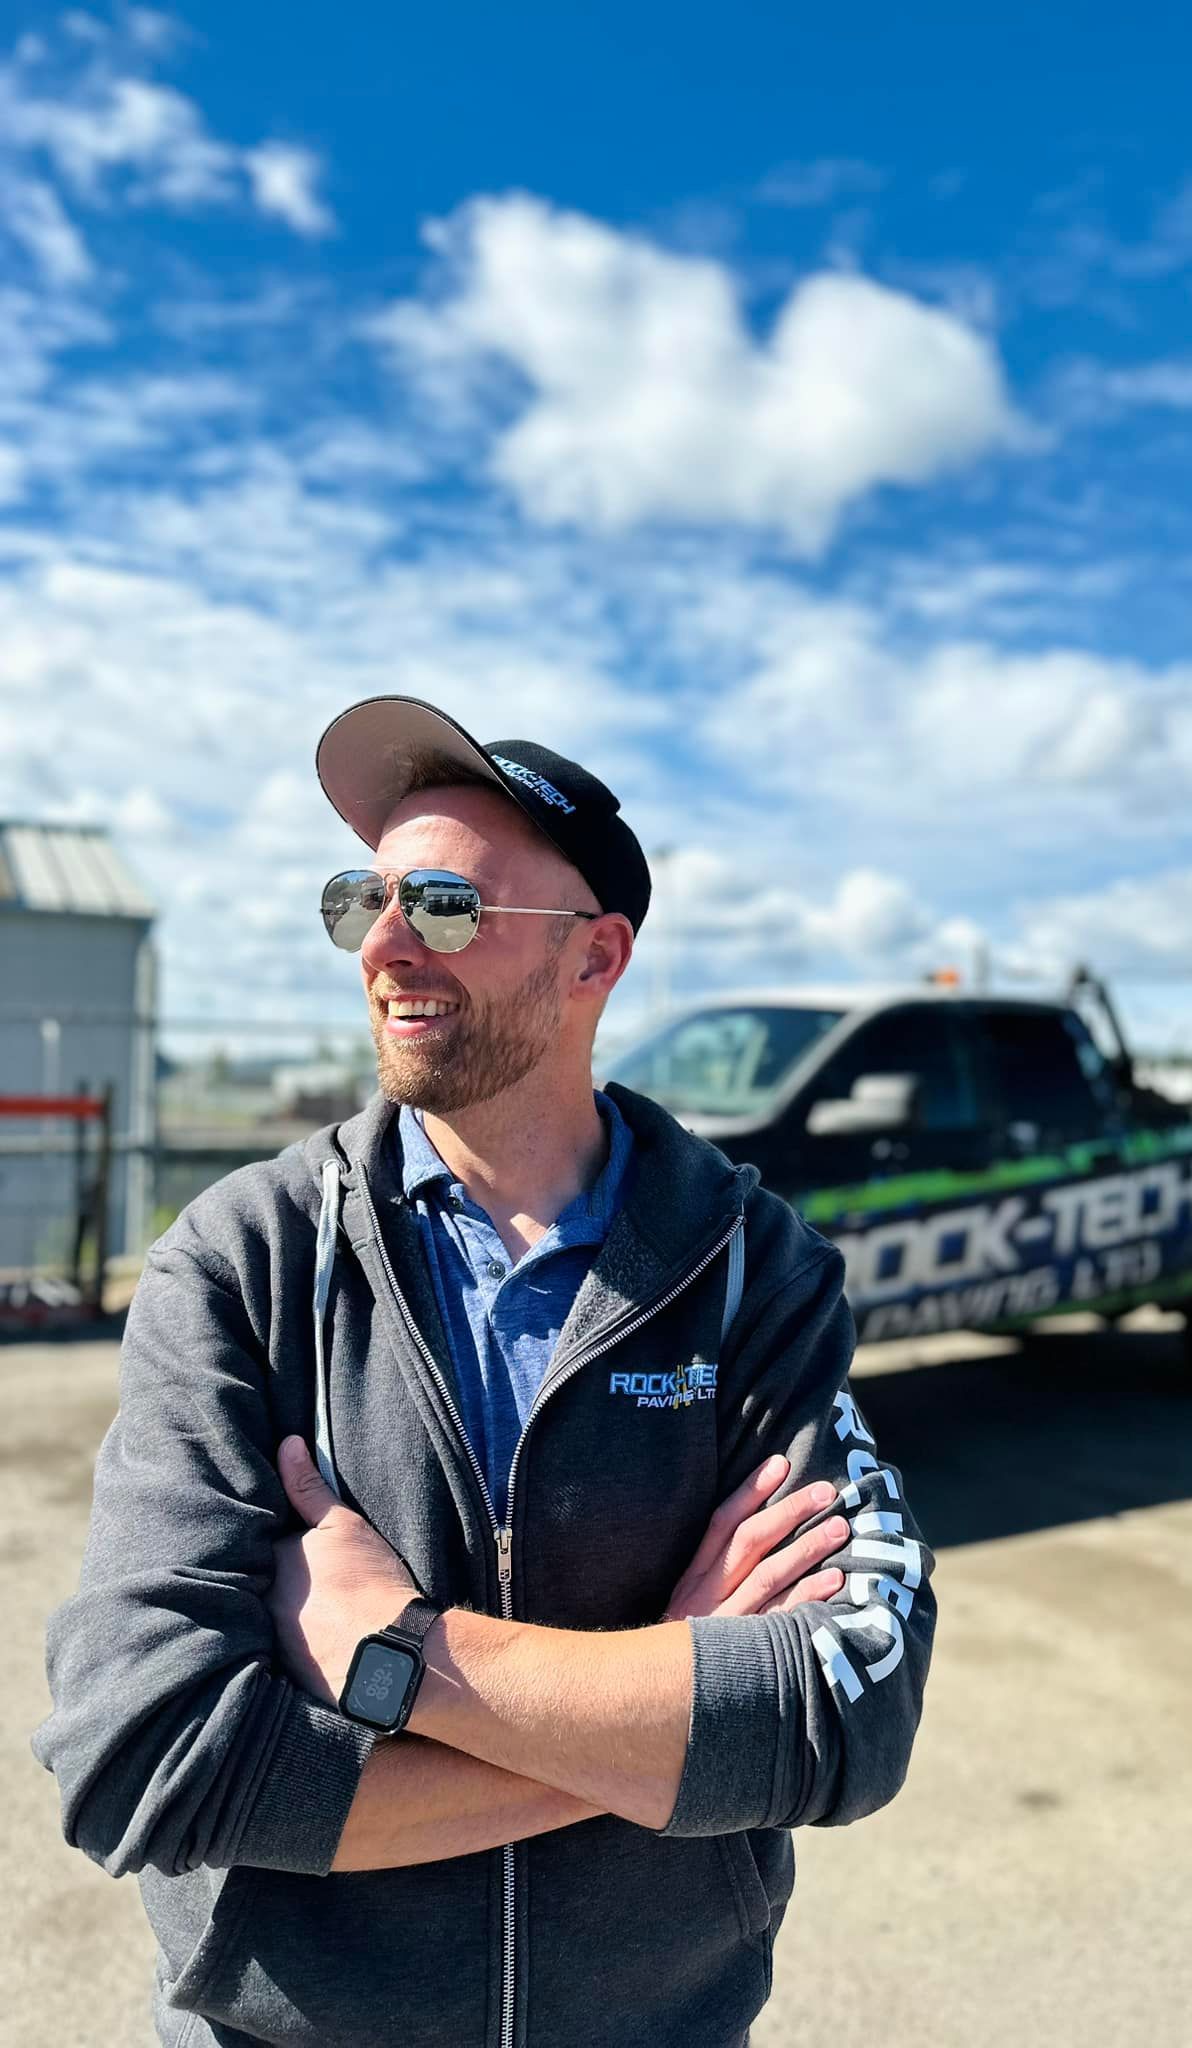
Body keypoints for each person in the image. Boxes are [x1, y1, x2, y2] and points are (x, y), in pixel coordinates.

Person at [34, 695, 936, 2048]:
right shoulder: (244, 1264)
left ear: (596, 957)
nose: (386, 946)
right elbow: (142, 1757)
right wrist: (653, 1717)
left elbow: (848, 1708)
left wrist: (403, 1657)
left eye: (448, 904)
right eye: (362, 899)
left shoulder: (753, 1266)